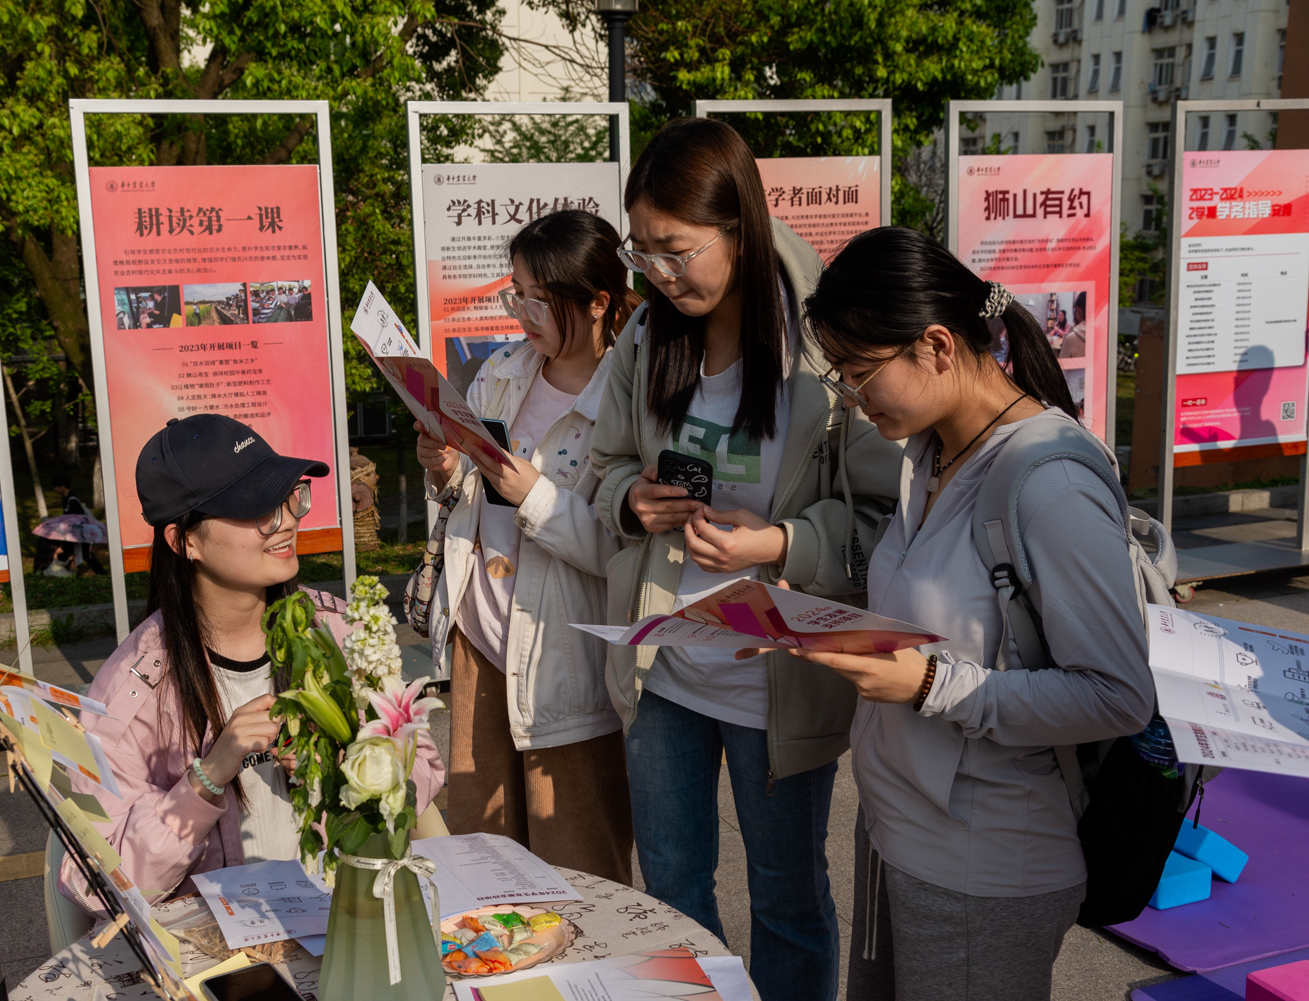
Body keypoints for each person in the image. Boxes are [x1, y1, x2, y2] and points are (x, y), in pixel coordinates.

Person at [588, 117, 903, 1001]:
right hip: (665, 668)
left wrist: (780, 545)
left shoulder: (822, 341)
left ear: (740, 226)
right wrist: (630, 498)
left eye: (676, 250)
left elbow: (886, 514)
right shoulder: (648, 337)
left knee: (788, 902)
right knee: (674, 900)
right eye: (642, 250)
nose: (657, 272)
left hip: (779, 675)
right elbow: (601, 465)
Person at [798, 227, 1153, 1001]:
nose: (853, 397)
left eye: (860, 372)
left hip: (984, 863)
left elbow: (1117, 694)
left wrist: (933, 685)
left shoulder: (1049, 482)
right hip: (899, 834)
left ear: (935, 345)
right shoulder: (929, 450)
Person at [60, 414, 447, 915]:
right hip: (226, 950)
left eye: (288, 497)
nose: (286, 521)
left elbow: (424, 770)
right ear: (184, 542)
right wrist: (208, 776)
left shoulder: (340, 634)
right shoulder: (131, 690)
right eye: (254, 508)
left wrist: (342, 767)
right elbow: (98, 880)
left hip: (352, 913)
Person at [416, 209, 640, 886]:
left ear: (598, 302)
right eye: (514, 293)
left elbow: (621, 550)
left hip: (562, 656)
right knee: (485, 859)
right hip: (479, 639)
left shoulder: (624, 399)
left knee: (578, 864)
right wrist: (444, 468)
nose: (521, 313)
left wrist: (534, 494)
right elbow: (463, 505)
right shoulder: (502, 372)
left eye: (536, 299)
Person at [52, 474, 105, 576]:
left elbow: (79, 518)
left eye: (56, 486)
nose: (55, 489)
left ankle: (100, 573)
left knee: (83, 554)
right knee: (82, 553)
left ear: (63, 486)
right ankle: (74, 572)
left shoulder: (72, 501)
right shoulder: (67, 499)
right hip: (76, 532)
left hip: (79, 532)